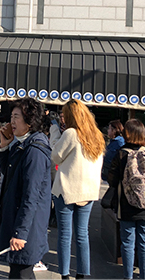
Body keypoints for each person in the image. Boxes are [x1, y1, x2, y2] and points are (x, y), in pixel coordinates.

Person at [0, 98, 52, 279]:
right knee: (21, 273)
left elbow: (31, 196)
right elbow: (10, 174)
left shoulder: (34, 150)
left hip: (28, 227)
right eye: (11, 116)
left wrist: (20, 233)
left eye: (16, 117)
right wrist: (4, 146)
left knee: (21, 273)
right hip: (20, 221)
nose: (12, 121)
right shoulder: (23, 144)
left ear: (29, 120)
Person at [51, 99, 105, 280]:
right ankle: (82, 273)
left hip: (67, 189)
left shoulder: (71, 133)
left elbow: (56, 156)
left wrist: (54, 132)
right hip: (88, 190)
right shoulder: (97, 135)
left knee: (65, 235)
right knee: (82, 234)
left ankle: (65, 274)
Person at [108, 119, 145, 280]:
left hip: (127, 203)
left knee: (128, 242)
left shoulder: (121, 154)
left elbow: (112, 179)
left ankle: (128, 276)